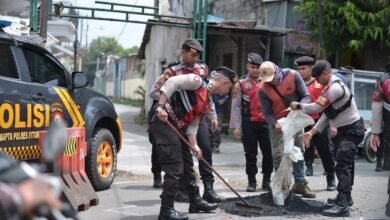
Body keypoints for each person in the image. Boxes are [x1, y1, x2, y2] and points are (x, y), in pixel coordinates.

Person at [149, 66, 237, 220]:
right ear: (223, 82)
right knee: (174, 168)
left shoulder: (207, 100)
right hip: (165, 121)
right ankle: (166, 210)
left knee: (188, 164)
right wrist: (160, 106)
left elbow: (193, 125)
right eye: (229, 86)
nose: (228, 91)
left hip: (180, 127)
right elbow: (173, 82)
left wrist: (194, 145)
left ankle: (195, 201)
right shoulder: (197, 82)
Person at [149, 39, 224, 203]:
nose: (195, 58)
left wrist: (212, 115)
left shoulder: (202, 69)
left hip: (197, 116)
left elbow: (207, 93)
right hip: (176, 117)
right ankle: (184, 191)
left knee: (204, 148)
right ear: (183, 52)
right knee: (183, 157)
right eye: (192, 54)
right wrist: (172, 100)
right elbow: (155, 92)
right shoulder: (171, 71)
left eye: (197, 55)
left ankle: (209, 189)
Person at [290, 60, 365, 217]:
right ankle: (345, 197)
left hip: (352, 130)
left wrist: (298, 105)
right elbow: (326, 114)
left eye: (318, 78)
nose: (317, 81)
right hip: (344, 130)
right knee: (346, 164)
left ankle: (343, 206)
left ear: (325, 73)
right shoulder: (329, 86)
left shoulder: (335, 88)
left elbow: (317, 107)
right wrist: (312, 133)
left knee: (342, 164)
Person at [258, 61, 316, 198]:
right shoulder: (263, 89)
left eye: (272, 78)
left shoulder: (293, 75)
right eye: (267, 80)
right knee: (277, 154)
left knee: (298, 151)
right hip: (278, 123)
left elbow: (306, 96)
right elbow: (267, 113)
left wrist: (300, 106)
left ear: (277, 71)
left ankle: (300, 183)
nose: (271, 82)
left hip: (295, 120)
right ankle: (281, 185)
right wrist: (274, 123)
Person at [230, 53, 273, 192]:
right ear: (247, 66)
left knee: (269, 153)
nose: (255, 70)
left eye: (257, 67)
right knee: (250, 153)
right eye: (252, 67)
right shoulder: (241, 84)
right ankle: (252, 181)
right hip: (249, 122)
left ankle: (267, 180)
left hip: (267, 122)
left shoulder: (268, 81)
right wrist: (236, 126)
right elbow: (236, 106)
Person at [295, 56, 336, 191]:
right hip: (302, 120)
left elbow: (329, 105)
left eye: (304, 68)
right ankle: (308, 168)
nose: (301, 71)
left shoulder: (320, 83)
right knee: (305, 147)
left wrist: (332, 124)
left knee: (325, 150)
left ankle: (331, 178)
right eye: (299, 69)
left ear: (311, 69)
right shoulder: (297, 84)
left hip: (320, 121)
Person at [369, 62, 390, 217]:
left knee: (382, 139)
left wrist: (375, 131)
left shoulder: (383, 80)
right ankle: (381, 163)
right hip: (386, 115)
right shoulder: (384, 80)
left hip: (385, 115)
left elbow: (376, 105)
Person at [370, 62, 390, 172]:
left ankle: (379, 163)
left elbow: (377, 102)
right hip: (386, 109)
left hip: (384, 110)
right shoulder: (384, 79)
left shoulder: (382, 78)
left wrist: (375, 129)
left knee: (381, 136)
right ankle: (386, 162)